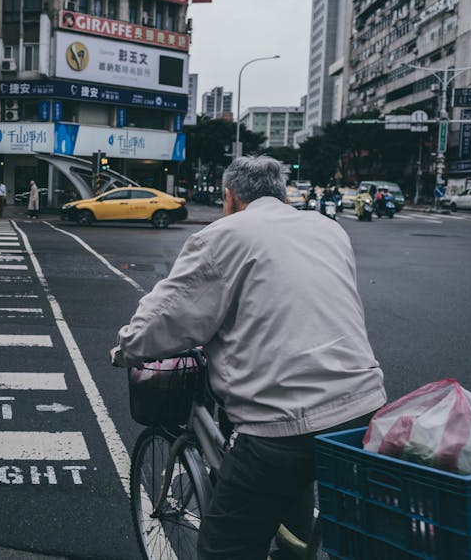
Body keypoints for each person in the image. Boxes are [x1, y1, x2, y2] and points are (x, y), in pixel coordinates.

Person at [111, 156, 386, 559]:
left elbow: (170, 313)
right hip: (363, 410)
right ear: (281, 193)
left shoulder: (223, 236)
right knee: (298, 521)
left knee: (224, 548)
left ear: (230, 197)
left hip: (282, 424)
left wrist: (126, 349)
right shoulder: (328, 229)